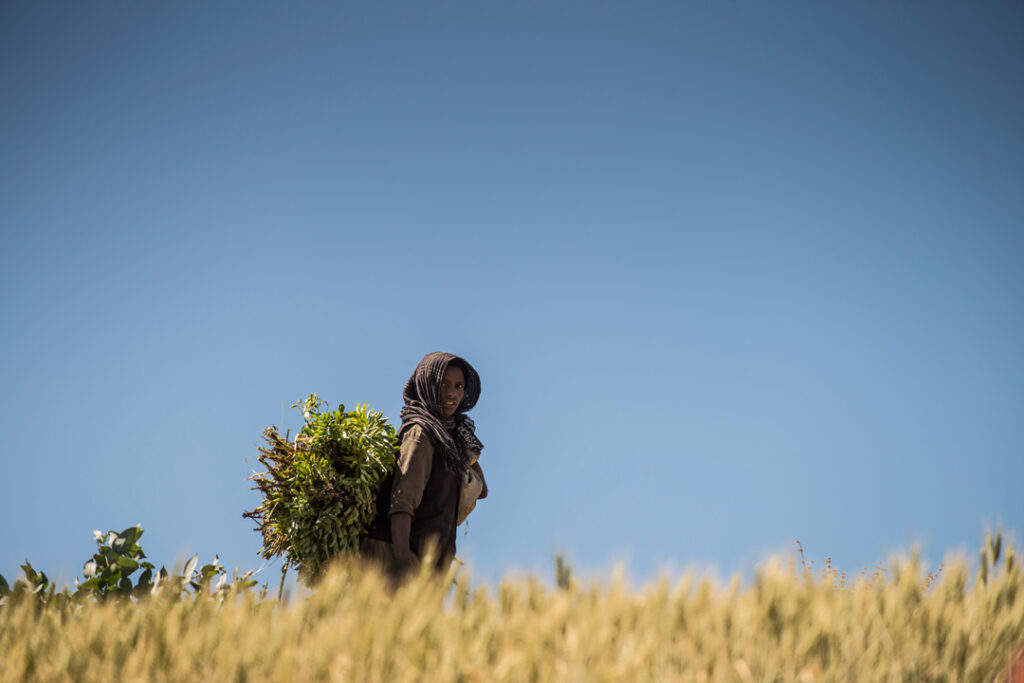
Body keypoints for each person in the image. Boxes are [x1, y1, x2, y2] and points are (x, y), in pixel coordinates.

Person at [362, 352, 487, 578]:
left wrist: (464, 444)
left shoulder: (448, 440)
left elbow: (482, 491)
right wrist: (402, 565)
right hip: (397, 558)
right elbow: (402, 503)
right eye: (444, 385)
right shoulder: (420, 434)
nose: (452, 394)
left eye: (459, 386)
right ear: (428, 385)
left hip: (429, 566)